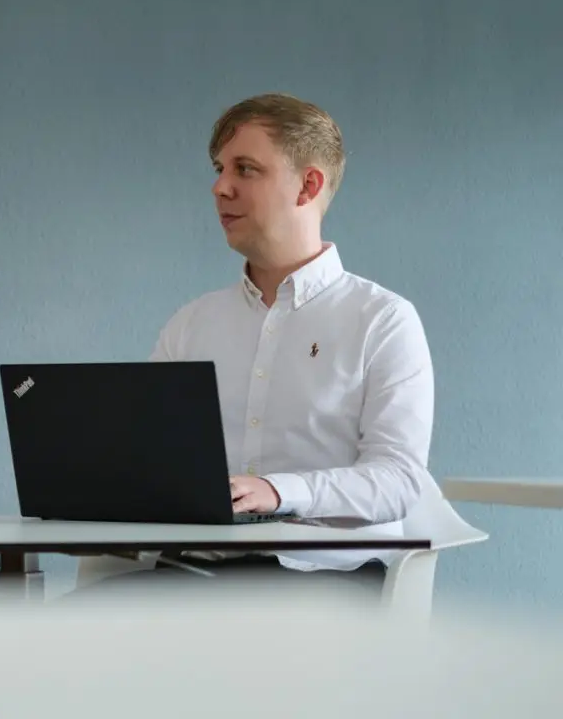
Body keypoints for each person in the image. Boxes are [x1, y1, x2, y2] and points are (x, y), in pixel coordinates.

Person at [101, 93, 434, 597]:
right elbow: (147, 464)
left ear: (308, 186)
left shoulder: (384, 321)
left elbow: (398, 480)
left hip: (323, 582)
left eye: (246, 169)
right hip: (193, 575)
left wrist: (279, 492)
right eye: (219, 169)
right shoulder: (190, 325)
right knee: (57, 629)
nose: (220, 187)